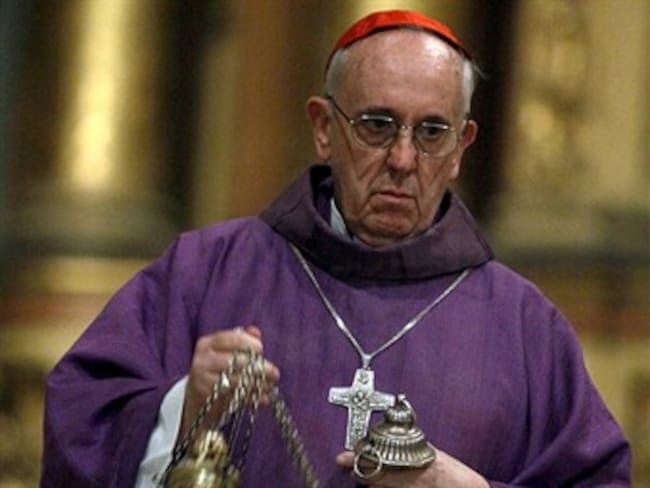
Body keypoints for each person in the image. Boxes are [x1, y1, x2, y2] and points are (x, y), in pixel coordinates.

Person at [41, 9, 631, 488]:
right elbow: (80, 429)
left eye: (432, 132)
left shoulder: (525, 328)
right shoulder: (205, 273)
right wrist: (180, 411)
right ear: (324, 128)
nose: (403, 159)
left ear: (461, 147)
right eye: (377, 125)